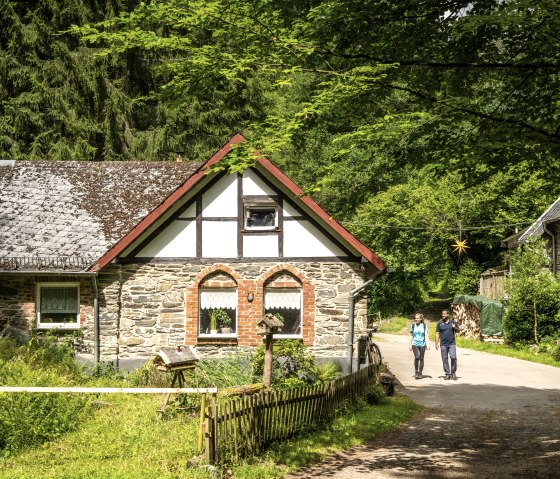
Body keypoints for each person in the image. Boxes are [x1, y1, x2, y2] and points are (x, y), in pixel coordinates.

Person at [435, 309, 460, 380]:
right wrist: (436, 343)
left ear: (448, 314)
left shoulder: (453, 322)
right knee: (444, 359)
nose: (443, 315)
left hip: (452, 343)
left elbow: (458, 331)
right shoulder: (439, 323)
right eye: (442, 314)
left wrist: (454, 327)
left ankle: (453, 372)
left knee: (453, 357)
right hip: (443, 344)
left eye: (444, 314)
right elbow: (437, 333)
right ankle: (447, 373)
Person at [409, 313, 429, 379]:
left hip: (422, 344)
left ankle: (420, 372)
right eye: (415, 318)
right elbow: (411, 336)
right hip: (415, 344)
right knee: (417, 357)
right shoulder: (413, 326)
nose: (416, 319)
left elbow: (426, 335)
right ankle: (416, 372)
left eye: (417, 318)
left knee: (421, 358)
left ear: (420, 319)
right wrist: (410, 345)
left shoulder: (424, 326)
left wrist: (427, 344)